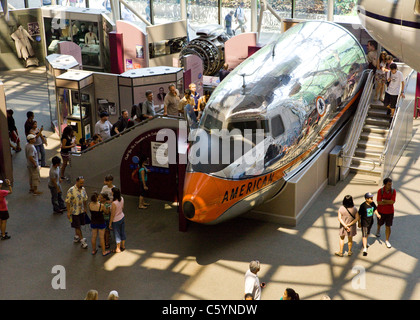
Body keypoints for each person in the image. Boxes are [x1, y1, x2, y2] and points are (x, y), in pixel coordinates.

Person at [65, 176, 89, 249]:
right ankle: (82, 241)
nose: (82, 184)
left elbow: (85, 199)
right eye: (81, 183)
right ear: (77, 182)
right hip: (74, 212)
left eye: (83, 183)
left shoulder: (83, 189)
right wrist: (68, 212)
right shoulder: (71, 190)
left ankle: (76, 236)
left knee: (78, 224)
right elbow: (67, 202)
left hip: (81, 210)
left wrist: (85, 208)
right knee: (78, 226)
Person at [376, 177, 396, 248]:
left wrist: (384, 201)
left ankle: (387, 240)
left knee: (388, 226)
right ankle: (378, 229)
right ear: (385, 184)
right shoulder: (380, 191)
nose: (390, 186)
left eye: (391, 184)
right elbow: (379, 202)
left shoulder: (393, 191)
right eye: (388, 185)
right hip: (381, 211)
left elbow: (393, 201)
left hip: (390, 212)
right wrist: (388, 202)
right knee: (380, 223)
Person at [358, 192, 381, 256]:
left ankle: (364, 242)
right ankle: (365, 248)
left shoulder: (373, 204)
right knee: (364, 235)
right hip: (364, 222)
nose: (372, 199)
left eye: (372, 198)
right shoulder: (363, 206)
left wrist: (378, 214)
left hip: (370, 221)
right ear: (366, 199)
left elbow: (375, 210)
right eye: (370, 198)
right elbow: (359, 214)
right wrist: (359, 222)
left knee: (368, 233)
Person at [89, 192, 111, 256]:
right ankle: (104, 252)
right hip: (101, 222)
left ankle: (93, 250)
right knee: (101, 237)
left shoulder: (89, 204)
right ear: (97, 198)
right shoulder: (101, 206)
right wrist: (108, 208)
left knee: (93, 236)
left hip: (93, 222)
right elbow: (106, 213)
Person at [109, 187, 126, 253]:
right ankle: (123, 246)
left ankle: (118, 249)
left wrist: (110, 223)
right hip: (122, 217)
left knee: (117, 234)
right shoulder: (121, 198)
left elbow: (112, 214)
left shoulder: (114, 203)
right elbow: (122, 207)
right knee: (122, 232)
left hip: (116, 220)